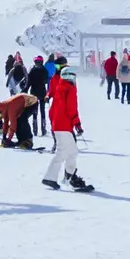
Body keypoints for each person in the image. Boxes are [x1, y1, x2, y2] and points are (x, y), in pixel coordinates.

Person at [40, 62, 93, 191]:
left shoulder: (59, 89)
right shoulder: (70, 89)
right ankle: (70, 178)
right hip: (64, 127)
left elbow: (52, 111)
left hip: (58, 126)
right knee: (71, 152)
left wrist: (54, 124)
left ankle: (52, 177)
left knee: (63, 152)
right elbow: (72, 109)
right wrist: (77, 124)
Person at [27, 56, 50, 134]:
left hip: (33, 93)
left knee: (34, 111)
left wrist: (25, 90)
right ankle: (43, 129)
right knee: (42, 110)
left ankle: (35, 130)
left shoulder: (32, 71)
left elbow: (28, 82)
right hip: (42, 92)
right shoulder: (45, 70)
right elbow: (46, 81)